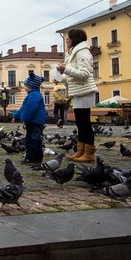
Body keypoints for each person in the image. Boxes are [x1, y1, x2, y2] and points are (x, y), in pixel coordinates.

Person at [57, 28, 98, 163]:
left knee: (85, 123)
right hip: (79, 91)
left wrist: (66, 69)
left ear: (75, 39)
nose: (66, 40)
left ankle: (89, 154)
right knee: (80, 123)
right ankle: (81, 151)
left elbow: (84, 74)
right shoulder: (74, 53)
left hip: (85, 91)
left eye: (68, 38)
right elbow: (72, 76)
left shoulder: (82, 53)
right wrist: (60, 78)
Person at [12, 72, 47, 164]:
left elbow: (30, 110)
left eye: (26, 85)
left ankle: (30, 158)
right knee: (36, 140)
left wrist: (24, 119)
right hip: (35, 122)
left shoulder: (34, 96)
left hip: (34, 122)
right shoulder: (32, 95)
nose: (24, 87)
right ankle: (37, 158)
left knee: (31, 141)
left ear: (31, 86)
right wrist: (16, 116)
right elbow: (23, 108)